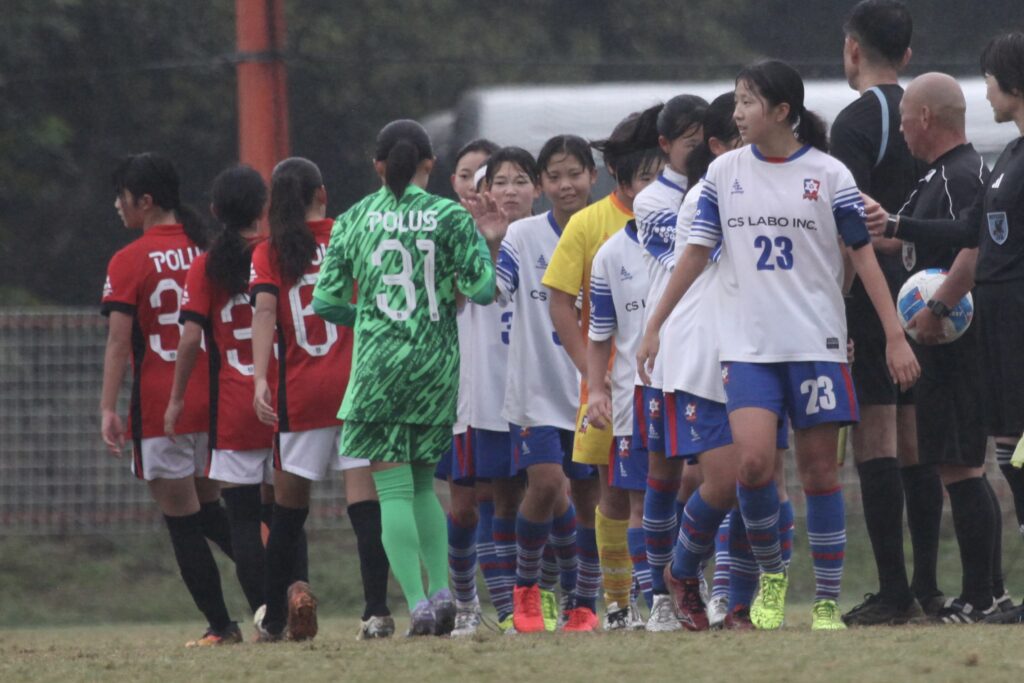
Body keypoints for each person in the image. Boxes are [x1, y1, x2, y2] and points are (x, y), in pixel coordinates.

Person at [638, 59, 920, 632]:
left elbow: (861, 256)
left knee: (819, 475)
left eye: (748, 102)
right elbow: (695, 254)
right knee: (752, 465)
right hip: (748, 349)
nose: (737, 113)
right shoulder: (724, 174)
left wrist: (894, 335)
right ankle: (749, 575)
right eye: (738, 100)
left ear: (782, 111)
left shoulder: (830, 174)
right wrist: (654, 325)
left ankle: (825, 603)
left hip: (816, 344)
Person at [312, 120, 501, 636]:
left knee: (391, 489)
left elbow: (325, 301)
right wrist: (489, 242)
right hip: (435, 366)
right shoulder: (450, 216)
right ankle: (443, 591)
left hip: (378, 368)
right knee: (422, 485)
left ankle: (418, 603)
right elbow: (483, 292)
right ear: (430, 164)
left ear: (378, 165)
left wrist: (368, 317)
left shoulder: (353, 219)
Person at [872, 33, 1024, 622]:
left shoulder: (966, 171)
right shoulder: (1004, 160)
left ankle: (985, 592)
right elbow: (970, 233)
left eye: (990, 80)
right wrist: (896, 226)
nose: (985, 92)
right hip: (996, 333)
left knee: (985, 462)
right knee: (1006, 457)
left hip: (991, 330)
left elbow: (973, 250)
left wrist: (938, 308)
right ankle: (989, 595)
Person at [832, 0, 944, 624]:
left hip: (874, 299)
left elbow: (850, 228)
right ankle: (927, 587)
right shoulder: (931, 114)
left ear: (852, 49)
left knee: (876, 435)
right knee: (916, 439)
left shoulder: (857, 121)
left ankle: (894, 592)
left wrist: (838, 303)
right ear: (906, 54)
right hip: (933, 295)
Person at [100, 152, 240, 647]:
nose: (117, 205)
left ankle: (221, 626)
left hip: (163, 407)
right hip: (217, 401)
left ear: (145, 201)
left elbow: (119, 342)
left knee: (183, 523)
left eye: (121, 196)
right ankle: (286, 582)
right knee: (213, 511)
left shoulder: (129, 260)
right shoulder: (208, 248)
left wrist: (108, 408)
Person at [251, 157, 393, 641]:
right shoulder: (353, 233)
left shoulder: (270, 252)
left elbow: (264, 312)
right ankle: (376, 612)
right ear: (323, 194)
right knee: (365, 508)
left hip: (301, 392)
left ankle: (274, 620)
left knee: (287, 516)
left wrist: (259, 379)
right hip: (358, 386)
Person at [543, 107, 664, 628]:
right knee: (612, 493)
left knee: (674, 485)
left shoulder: (682, 215)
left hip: (674, 382)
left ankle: (671, 590)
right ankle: (618, 602)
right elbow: (559, 304)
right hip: (613, 389)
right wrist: (593, 378)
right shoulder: (590, 225)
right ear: (620, 172)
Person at [486, 136, 599, 633]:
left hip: (594, 390)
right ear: (542, 185)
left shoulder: (608, 230)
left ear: (592, 176)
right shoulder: (522, 236)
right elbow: (495, 291)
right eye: (554, 176)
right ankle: (528, 592)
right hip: (534, 391)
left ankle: (585, 603)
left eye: (574, 174)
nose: (565, 184)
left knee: (591, 499)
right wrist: (492, 242)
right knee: (548, 483)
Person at [166, 164, 272, 625]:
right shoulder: (274, 254)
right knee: (285, 514)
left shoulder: (205, 266)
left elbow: (190, 339)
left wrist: (176, 398)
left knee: (243, 520)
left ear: (214, 211)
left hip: (234, 405)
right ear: (263, 207)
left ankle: (267, 613)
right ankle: (296, 594)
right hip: (281, 401)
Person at [625, 94, 707, 631]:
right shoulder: (652, 201)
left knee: (722, 475)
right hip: (668, 352)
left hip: (717, 349)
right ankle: (659, 593)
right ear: (665, 144)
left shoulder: (726, 186)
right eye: (688, 142)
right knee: (663, 475)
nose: (698, 151)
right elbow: (688, 258)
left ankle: (711, 587)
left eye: (706, 142)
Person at [457, 146, 539, 634]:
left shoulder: (553, 234)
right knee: (498, 498)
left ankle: (562, 596)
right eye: (499, 183)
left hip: (546, 386)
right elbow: (466, 297)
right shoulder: (467, 239)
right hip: (489, 388)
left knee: (554, 493)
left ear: (537, 188)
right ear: (484, 192)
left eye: (520, 181)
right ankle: (509, 608)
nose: (510, 192)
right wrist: (489, 243)